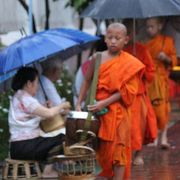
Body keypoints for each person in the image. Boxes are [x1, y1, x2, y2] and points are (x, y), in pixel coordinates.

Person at [76, 23, 145, 180]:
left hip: (119, 112)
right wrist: (79, 103)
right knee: (105, 152)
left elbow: (127, 91)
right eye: (110, 37)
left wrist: (104, 103)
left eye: (117, 38)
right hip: (100, 113)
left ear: (126, 40)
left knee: (119, 150)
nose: (113, 41)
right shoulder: (97, 57)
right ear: (105, 39)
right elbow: (87, 81)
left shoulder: (130, 63)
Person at [8, 67, 71, 178]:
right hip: (26, 146)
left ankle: (47, 169)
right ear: (29, 83)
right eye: (36, 82)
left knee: (54, 139)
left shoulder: (18, 96)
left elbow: (38, 113)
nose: (37, 86)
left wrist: (45, 107)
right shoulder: (26, 98)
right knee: (62, 138)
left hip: (17, 147)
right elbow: (49, 114)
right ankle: (47, 172)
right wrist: (62, 105)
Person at [123, 19, 157, 165]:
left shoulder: (141, 50)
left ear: (135, 33)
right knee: (125, 126)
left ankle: (138, 154)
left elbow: (151, 74)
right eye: (126, 33)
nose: (129, 36)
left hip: (138, 94)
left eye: (131, 32)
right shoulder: (119, 53)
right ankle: (126, 154)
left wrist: (140, 68)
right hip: (122, 94)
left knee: (140, 125)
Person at [144, 17, 177, 149]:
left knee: (162, 110)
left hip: (162, 80)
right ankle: (154, 136)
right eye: (147, 27)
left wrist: (166, 58)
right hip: (150, 80)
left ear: (160, 26)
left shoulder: (167, 42)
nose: (149, 29)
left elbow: (174, 61)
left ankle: (163, 136)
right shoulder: (146, 45)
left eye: (152, 26)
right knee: (151, 111)